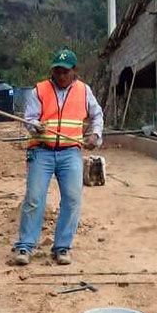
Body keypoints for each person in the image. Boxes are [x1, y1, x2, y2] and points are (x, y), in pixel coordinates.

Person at [13, 48, 103, 266]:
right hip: (41, 151)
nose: (61, 76)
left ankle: (62, 247)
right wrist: (35, 126)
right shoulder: (39, 90)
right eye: (57, 71)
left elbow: (97, 114)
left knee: (72, 200)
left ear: (74, 71)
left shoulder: (84, 91)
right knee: (34, 199)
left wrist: (95, 135)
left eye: (65, 71)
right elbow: (30, 119)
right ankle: (25, 246)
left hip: (70, 152)